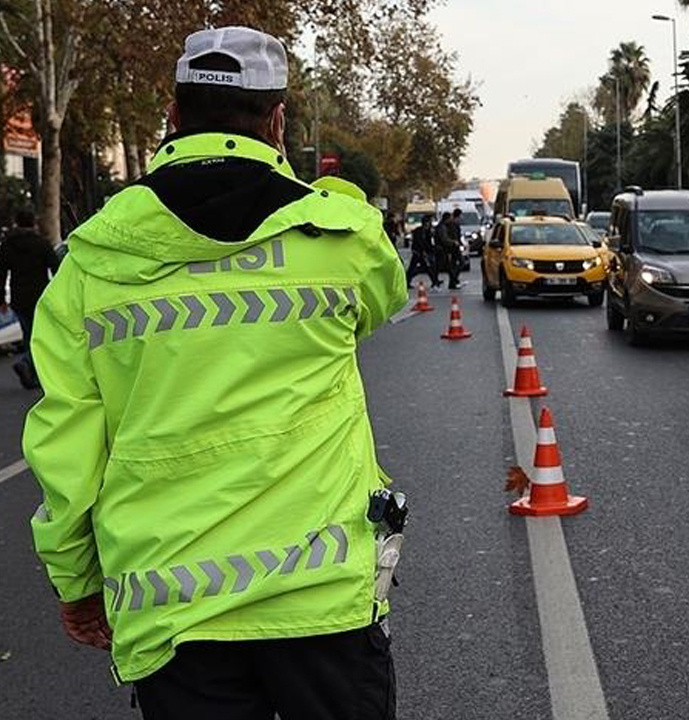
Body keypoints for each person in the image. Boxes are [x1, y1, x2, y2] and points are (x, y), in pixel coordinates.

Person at [23, 26, 405, 720]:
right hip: (320, 603)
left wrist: (76, 581)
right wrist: (335, 199)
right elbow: (384, 298)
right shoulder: (339, 238)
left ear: (172, 115)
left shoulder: (91, 259)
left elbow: (67, 447)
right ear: (277, 119)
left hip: (173, 611)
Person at [0, 208, 59, 390]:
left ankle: (31, 369)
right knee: (40, 335)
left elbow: (1, 274)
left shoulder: (7, 245)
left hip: (19, 297)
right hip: (40, 295)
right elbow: (56, 267)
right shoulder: (41, 243)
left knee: (28, 334)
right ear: (33, 223)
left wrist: (2, 299)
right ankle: (28, 363)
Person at [405, 212, 436, 288]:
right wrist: (423, 251)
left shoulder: (427, 231)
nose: (430, 224)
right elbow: (419, 242)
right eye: (429, 222)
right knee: (421, 268)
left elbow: (429, 242)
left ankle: (435, 281)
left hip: (421, 251)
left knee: (426, 267)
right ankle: (407, 281)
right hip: (418, 252)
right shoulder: (419, 231)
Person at [434, 209, 462, 290]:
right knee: (443, 267)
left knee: (447, 267)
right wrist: (453, 242)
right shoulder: (442, 227)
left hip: (445, 249)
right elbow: (444, 239)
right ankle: (452, 281)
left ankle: (452, 281)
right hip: (443, 249)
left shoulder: (444, 226)